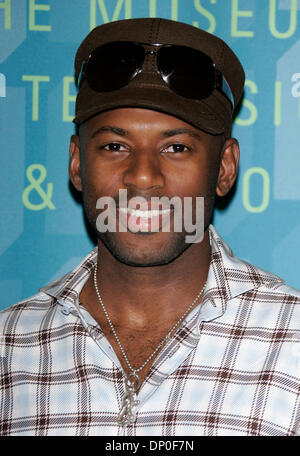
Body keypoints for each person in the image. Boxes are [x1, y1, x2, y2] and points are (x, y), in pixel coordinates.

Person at [0, 18, 299, 437]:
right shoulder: (10, 347)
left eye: (176, 147)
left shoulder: (292, 344)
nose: (142, 177)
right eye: (114, 146)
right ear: (76, 163)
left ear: (225, 168)